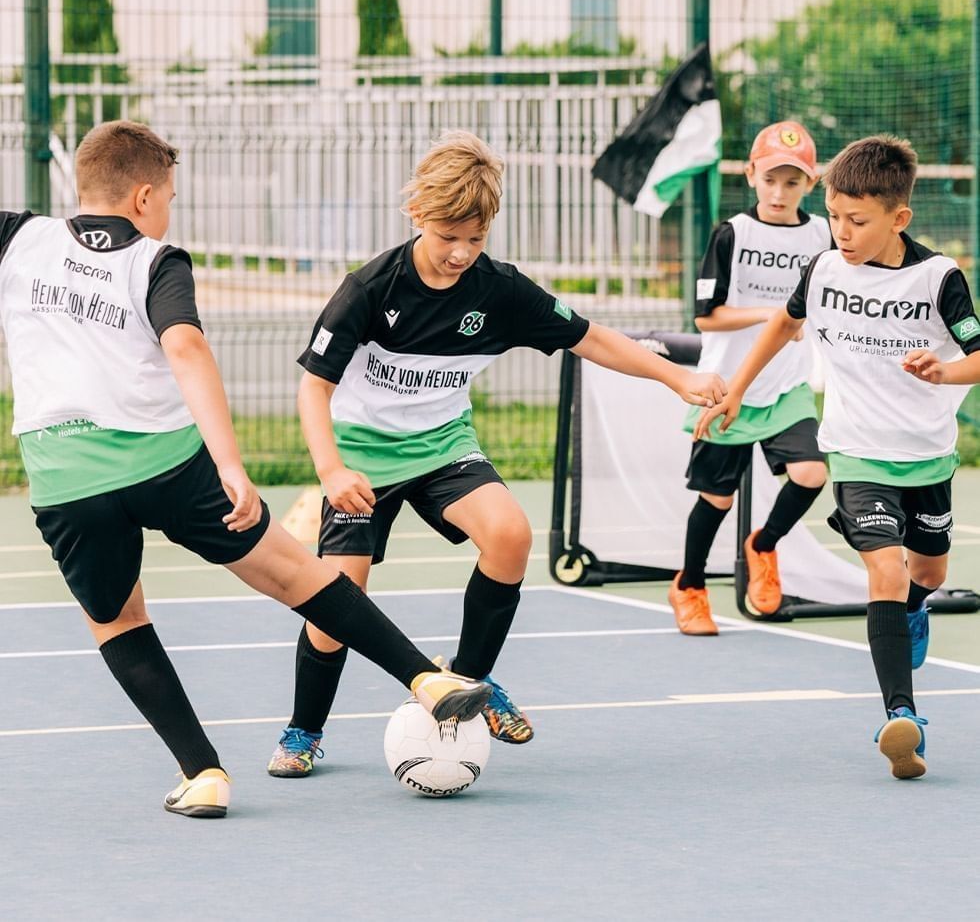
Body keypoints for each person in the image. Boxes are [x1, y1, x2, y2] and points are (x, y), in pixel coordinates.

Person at [0, 119, 496, 818]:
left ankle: (202, 773)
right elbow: (186, 348)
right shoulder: (156, 260)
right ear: (143, 196)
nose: (169, 210)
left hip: (66, 477)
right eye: (169, 197)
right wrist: (229, 464)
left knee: (118, 620)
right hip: (167, 464)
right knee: (296, 574)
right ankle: (426, 678)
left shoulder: (18, 238)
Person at [266, 130, 727, 777]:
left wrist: (677, 377)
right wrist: (331, 470)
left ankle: (471, 680)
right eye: (448, 235)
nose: (461, 252)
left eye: (475, 239)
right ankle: (303, 730)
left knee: (510, 534)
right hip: (362, 454)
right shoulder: (370, 288)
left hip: (443, 446)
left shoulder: (500, 291)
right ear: (416, 214)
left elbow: (592, 338)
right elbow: (314, 387)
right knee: (336, 604)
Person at [695, 134, 980, 778]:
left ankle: (915, 611)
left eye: (857, 220)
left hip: (927, 455)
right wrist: (736, 390)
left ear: (898, 218)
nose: (841, 232)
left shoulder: (938, 278)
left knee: (927, 573)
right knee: (885, 571)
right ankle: (901, 717)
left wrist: (945, 371)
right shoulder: (824, 268)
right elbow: (783, 323)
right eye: (833, 217)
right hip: (854, 450)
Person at [668, 121, 830, 636]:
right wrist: (772, 315)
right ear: (751, 174)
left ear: (811, 183)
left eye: (793, 181)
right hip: (725, 384)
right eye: (771, 179)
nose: (779, 192)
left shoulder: (824, 236)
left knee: (811, 474)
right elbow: (706, 318)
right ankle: (690, 586)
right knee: (717, 499)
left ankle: (763, 546)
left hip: (787, 386)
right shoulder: (732, 234)